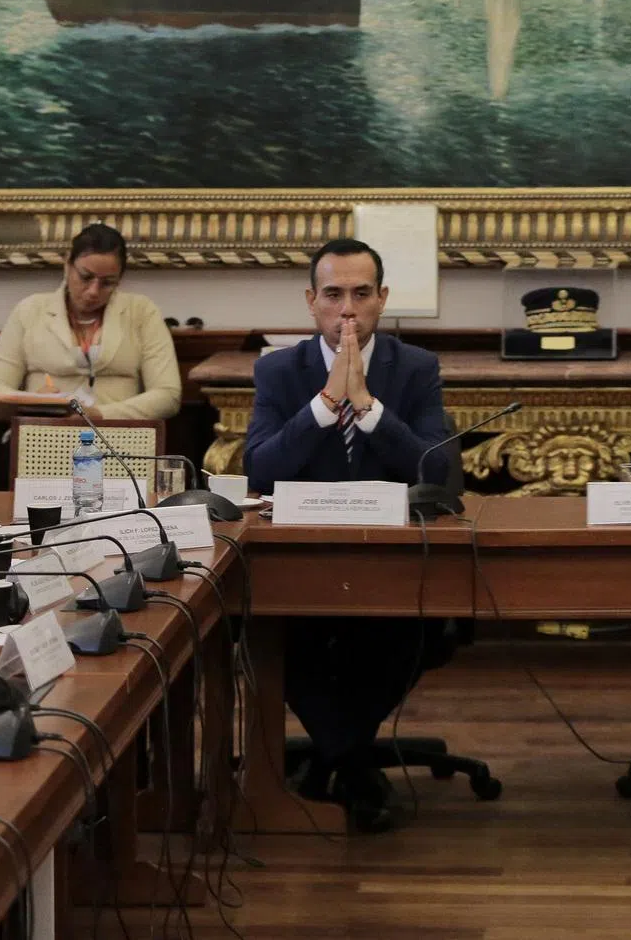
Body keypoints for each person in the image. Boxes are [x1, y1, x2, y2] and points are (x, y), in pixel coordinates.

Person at [244, 238, 452, 832]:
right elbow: (259, 468)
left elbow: (435, 469)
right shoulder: (279, 370)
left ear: (382, 299)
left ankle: (336, 755)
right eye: (333, 295)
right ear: (312, 302)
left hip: (392, 563)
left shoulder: (414, 369)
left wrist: (366, 405)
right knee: (280, 634)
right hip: (300, 563)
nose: (348, 311)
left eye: (362, 294)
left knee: (416, 632)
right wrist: (328, 399)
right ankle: (353, 761)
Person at [0, 223, 180, 421]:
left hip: (118, 439)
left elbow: (168, 395)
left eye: (107, 283)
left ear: (121, 277)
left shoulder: (141, 312)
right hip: (43, 439)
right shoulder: (30, 311)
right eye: (85, 277)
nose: (93, 291)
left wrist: (100, 415)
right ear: (68, 265)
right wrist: (34, 403)